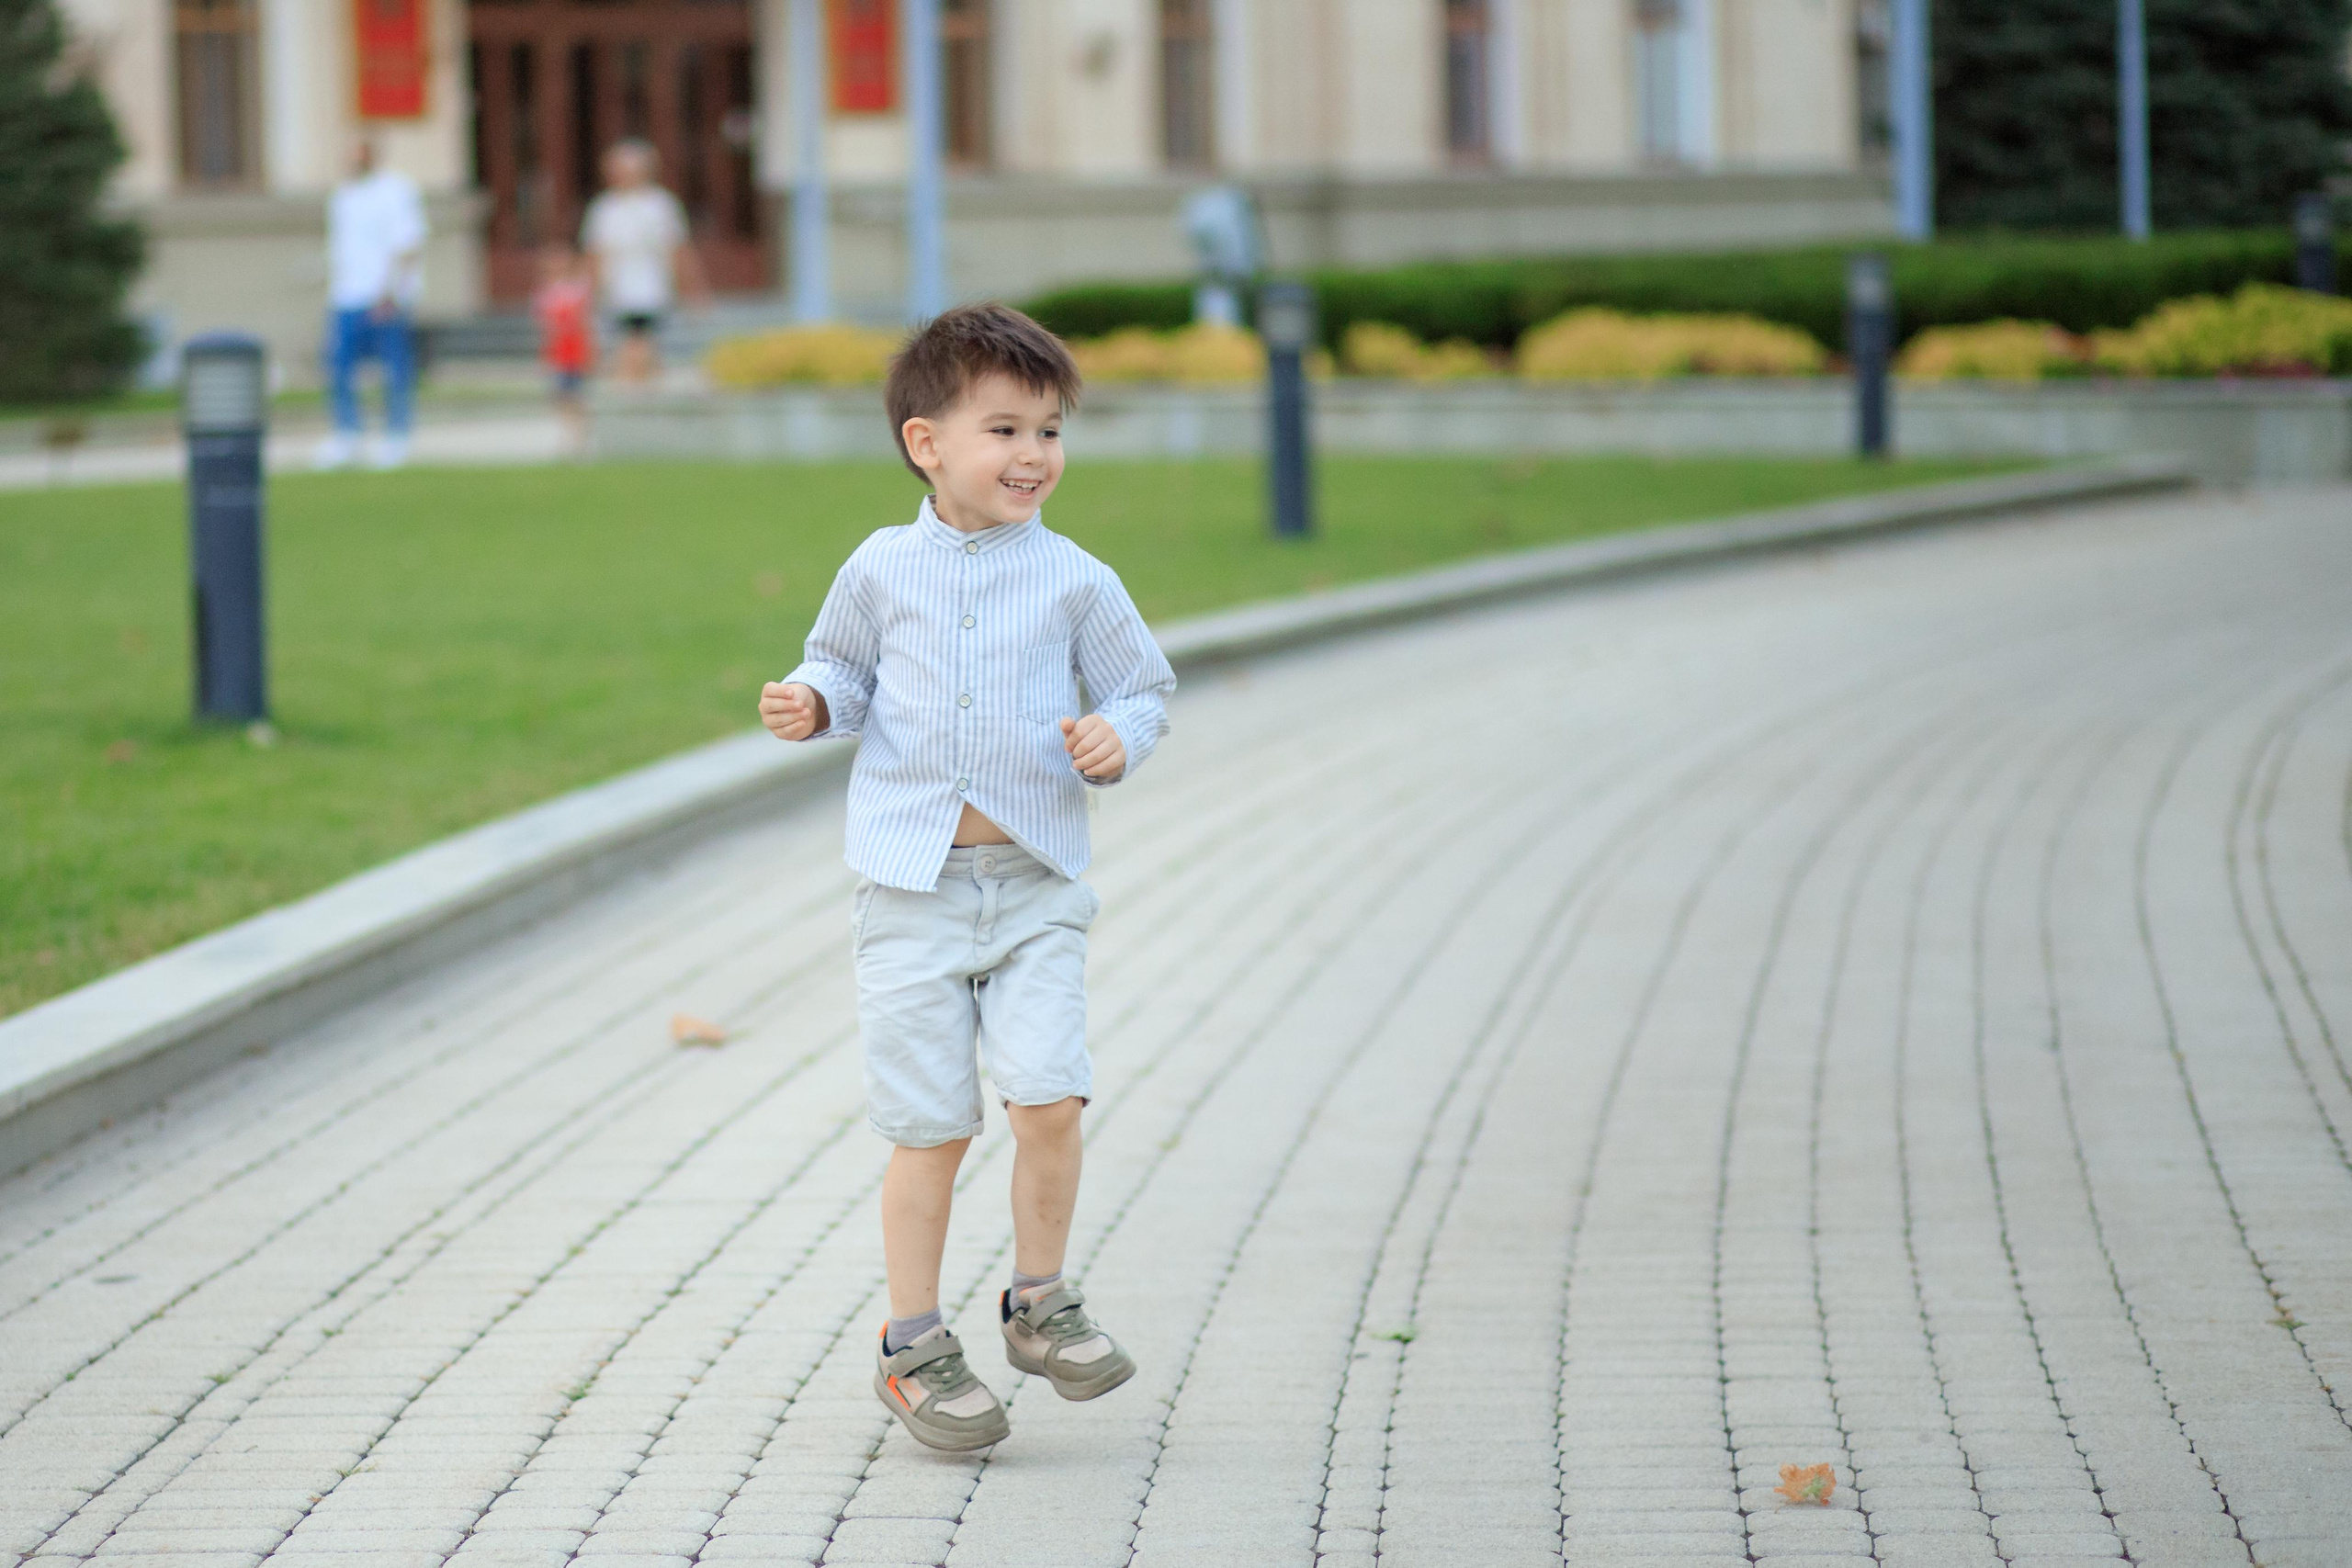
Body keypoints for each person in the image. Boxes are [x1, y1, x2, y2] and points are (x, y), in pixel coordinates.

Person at [758, 304, 1175, 1452]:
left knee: (1048, 1097)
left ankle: (1039, 1303)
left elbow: (1143, 688)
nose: (1033, 455)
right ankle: (913, 1347)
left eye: (1049, 431)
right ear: (925, 442)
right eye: (1004, 429)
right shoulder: (881, 568)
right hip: (910, 895)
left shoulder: (1076, 579)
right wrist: (812, 705)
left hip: (1035, 886)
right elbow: (839, 667)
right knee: (931, 1127)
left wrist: (1117, 738)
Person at [317, 137, 425, 469]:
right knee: (339, 367)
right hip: (346, 294)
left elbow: (408, 243)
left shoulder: (395, 191)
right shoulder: (342, 197)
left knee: (393, 369)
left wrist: (391, 291)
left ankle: (397, 435)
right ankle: (347, 434)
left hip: (383, 296)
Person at [581, 140, 707, 386]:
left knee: (642, 341)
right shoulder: (604, 209)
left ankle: (642, 391)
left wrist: (692, 289)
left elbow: (677, 250)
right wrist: (589, 293)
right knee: (631, 343)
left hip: (651, 286)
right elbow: (594, 254)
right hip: (616, 288)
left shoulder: (661, 205)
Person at [532, 243, 595, 459]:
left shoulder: (578, 291)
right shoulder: (546, 295)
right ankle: (567, 436)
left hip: (575, 352)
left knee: (576, 395)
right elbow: (547, 330)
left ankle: (579, 436)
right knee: (560, 396)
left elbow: (584, 324)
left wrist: (590, 353)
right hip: (557, 354)